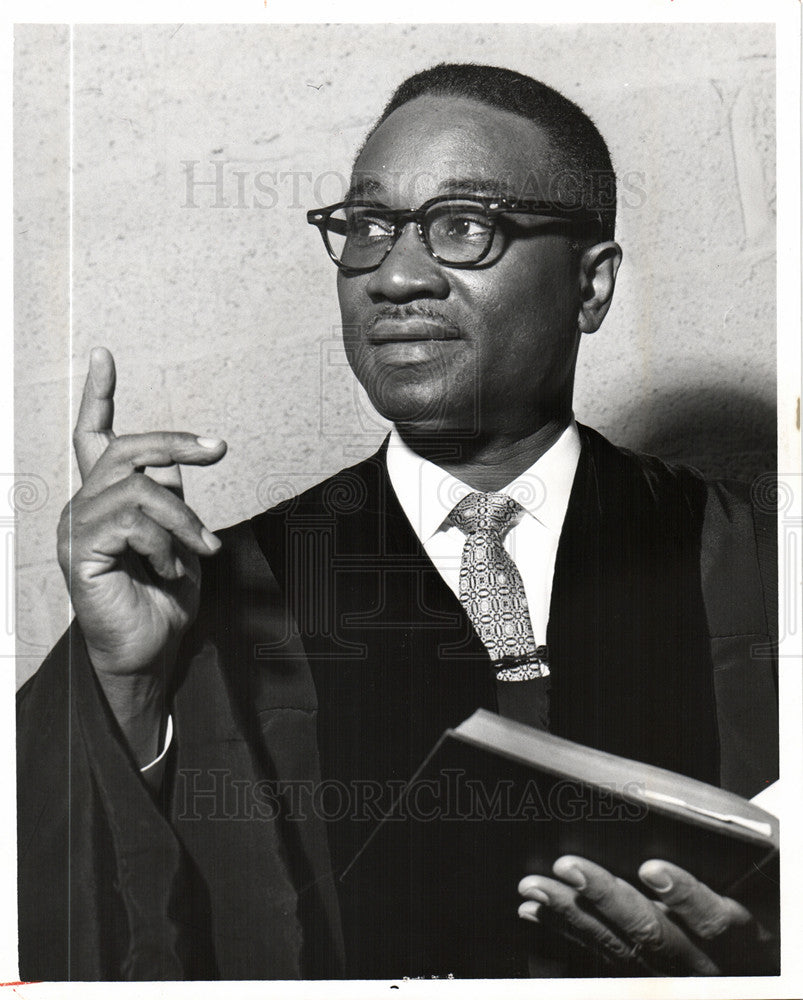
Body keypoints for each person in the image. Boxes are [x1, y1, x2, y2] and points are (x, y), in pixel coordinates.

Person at [17, 63, 778, 981]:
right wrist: (125, 689)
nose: (395, 274)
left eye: (464, 227)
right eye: (369, 228)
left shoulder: (758, 564)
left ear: (590, 286)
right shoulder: (222, 588)